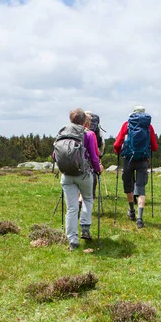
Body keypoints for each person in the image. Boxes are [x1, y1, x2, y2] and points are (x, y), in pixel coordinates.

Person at [58, 108, 103, 251]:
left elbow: (55, 155)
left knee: (71, 208)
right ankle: (85, 228)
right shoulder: (88, 134)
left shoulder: (62, 132)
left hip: (66, 174)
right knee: (88, 199)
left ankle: (72, 240)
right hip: (84, 174)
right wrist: (97, 169)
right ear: (84, 121)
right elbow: (94, 155)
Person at [113, 105, 158, 229]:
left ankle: (131, 211)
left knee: (128, 185)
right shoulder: (149, 126)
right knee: (140, 187)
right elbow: (154, 147)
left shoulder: (127, 125)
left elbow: (118, 143)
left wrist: (117, 150)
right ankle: (140, 219)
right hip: (143, 159)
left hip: (128, 159)